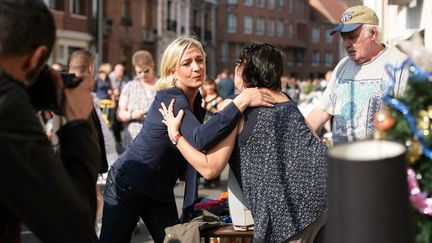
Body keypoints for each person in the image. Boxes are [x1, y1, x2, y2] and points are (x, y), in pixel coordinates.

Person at [99, 37, 274, 243]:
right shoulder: (170, 97)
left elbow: (200, 141)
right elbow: (199, 139)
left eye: (200, 60)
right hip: (128, 185)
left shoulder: (195, 99)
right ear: (172, 70)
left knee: (178, 240)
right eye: (187, 63)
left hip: (159, 189)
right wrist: (241, 101)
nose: (196, 67)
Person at [160, 42, 328, 242]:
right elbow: (314, 141)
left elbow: (210, 169)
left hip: (290, 216)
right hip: (327, 198)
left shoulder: (235, 106)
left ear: (241, 69)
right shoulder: (285, 100)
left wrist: (176, 136)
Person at [0, 1, 100, 242]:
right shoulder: (9, 108)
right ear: (35, 58)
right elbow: (74, 228)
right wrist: (77, 124)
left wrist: (32, 86)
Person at [306, 5, 409, 145]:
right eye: (344, 38)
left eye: (352, 37)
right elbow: (322, 111)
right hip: (342, 161)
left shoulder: (400, 64)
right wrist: (298, 136)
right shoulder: (342, 65)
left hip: (380, 162)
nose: (346, 44)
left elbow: (410, 117)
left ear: (373, 34)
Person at [116, 50, 157, 149]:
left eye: (146, 71)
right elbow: (119, 114)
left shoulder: (162, 85)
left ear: (152, 66)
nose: (143, 75)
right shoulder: (130, 86)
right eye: (139, 72)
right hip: (133, 142)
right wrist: (132, 115)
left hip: (156, 142)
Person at [109, 63, 130, 144]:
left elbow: (127, 91)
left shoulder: (126, 79)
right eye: (119, 71)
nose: (121, 73)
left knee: (122, 121)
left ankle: (120, 139)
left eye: (122, 71)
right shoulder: (110, 77)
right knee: (114, 121)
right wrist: (113, 92)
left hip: (122, 100)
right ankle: (117, 139)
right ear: (115, 71)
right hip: (113, 101)